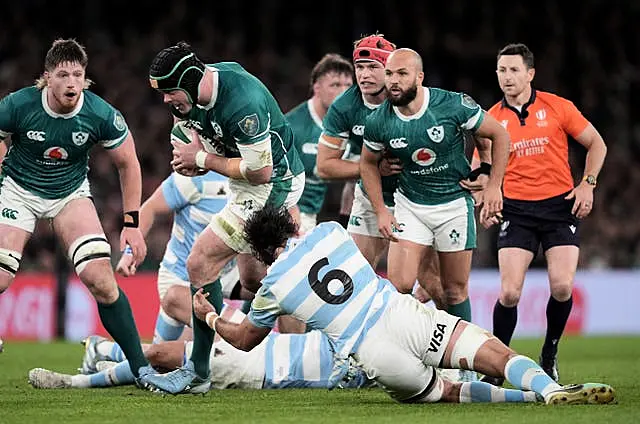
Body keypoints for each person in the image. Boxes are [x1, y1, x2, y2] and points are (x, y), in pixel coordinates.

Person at [186, 205, 614, 405]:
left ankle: (529, 403)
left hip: (372, 353)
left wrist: (207, 313)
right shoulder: (330, 232)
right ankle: (550, 390)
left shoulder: (272, 286)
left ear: (261, 252)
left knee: (446, 392)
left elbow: (242, 340)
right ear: (292, 226)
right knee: (495, 355)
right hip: (397, 314)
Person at [141, 41, 304, 394]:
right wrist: (190, 154)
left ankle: (199, 371)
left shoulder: (242, 103)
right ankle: (313, 335)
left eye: (171, 93)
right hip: (243, 184)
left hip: (273, 184)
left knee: (200, 262)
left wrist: (201, 160)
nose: (167, 101)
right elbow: (185, 133)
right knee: (254, 280)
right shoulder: (194, 94)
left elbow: (260, 171)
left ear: (189, 79)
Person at [0, 39, 152, 382]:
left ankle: (142, 370)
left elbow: (128, 163)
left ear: (86, 79)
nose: (71, 82)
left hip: (69, 194)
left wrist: (132, 223)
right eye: (63, 74)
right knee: (3, 274)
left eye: (78, 74)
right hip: (17, 191)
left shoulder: (100, 114)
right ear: (47, 77)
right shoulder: (18, 105)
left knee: (101, 278)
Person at [467, 44, 608, 386]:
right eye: (502, 70)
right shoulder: (491, 118)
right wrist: (483, 199)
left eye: (514, 70)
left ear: (530, 73)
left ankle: (550, 352)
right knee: (510, 293)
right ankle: (499, 362)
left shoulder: (558, 107)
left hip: (560, 207)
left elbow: (597, 144)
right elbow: (478, 168)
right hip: (515, 208)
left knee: (561, 286)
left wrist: (587, 184)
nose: (507, 77)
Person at [359, 49, 510, 351]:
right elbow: (367, 164)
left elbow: (499, 134)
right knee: (400, 283)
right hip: (411, 205)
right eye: (389, 74)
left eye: (401, 74)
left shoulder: (451, 104)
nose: (393, 81)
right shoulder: (378, 120)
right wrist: (381, 212)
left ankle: (464, 356)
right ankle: (403, 351)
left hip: (453, 204)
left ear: (419, 77)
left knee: (453, 291)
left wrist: (493, 182)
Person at [315, 34, 443, 306]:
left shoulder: (415, 100)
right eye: (359, 67)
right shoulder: (345, 106)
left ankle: (458, 344)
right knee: (352, 280)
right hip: (371, 198)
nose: (363, 75)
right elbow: (324, 166)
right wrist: (371, 169)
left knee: (436, 286)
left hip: (417, 198)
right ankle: (351, 348)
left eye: (373, 67)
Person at [29, 307, 372, 391]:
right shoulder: (357, 331)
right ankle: (102, 350)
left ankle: (75, 379)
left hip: (261, 370)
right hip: (267, 343)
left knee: (161, 358)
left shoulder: (371, 368)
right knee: (164, 351)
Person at [112, 169, 246, 345]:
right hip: (181, 279)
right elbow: (150, 208)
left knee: (277, 289)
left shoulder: (254, 174)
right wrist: (130, 252)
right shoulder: (194, 178)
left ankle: (106, 350)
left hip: (228, 275)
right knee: (237, 336)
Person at [287, 53, 353, 234]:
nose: (343, 92)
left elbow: (358, 178)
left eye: (348, 85)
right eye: (335, 85)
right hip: (286, 214)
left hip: (313, 216)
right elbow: (271, 178)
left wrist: (345, 221)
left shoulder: (353, 128)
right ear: (317, 88)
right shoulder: (293, 127)